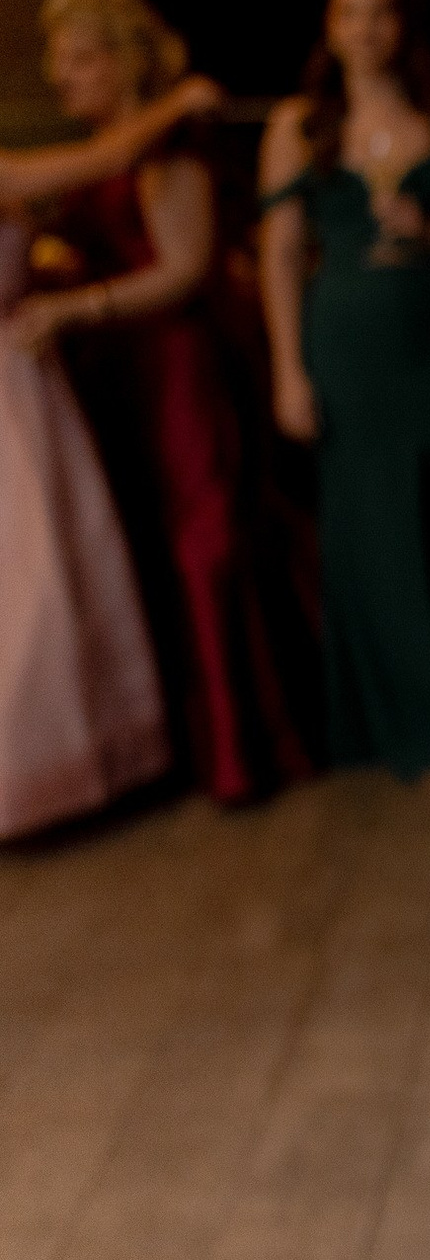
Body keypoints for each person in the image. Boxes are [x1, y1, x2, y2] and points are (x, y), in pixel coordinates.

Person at [10, 0, 311, 805]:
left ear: (121, 59)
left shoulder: (165, 149)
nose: (62, 78)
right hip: (122, 375)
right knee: (151, 551)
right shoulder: (106, 147)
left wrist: (75, 304)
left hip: (175, 368)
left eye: (78, 59)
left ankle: (240, 752)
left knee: (201, 550)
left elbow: (182, 269)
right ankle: (190, 741)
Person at [257, 0, 430, 778]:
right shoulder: (299, 124)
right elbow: (281, 251)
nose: (367, 25)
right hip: (348, 347)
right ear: (329, 26)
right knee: (373, 527)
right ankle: (396, 721)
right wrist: (287, 369)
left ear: (404, 24)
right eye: (350, 10)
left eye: (383, 9)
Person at [0, 206, 169, 838]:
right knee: (33, 580)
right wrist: (181, 101)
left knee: (54, 568)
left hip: (25, 378)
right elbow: (111, 157)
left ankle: (72, 760)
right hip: (12, 386)